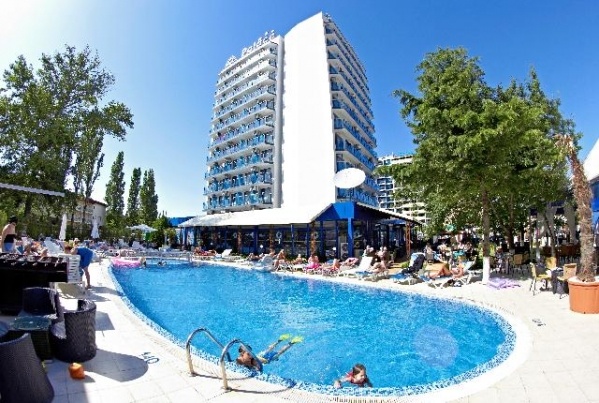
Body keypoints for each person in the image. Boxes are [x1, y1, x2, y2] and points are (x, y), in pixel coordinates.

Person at [236, 334, 303, 370]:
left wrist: (255, 367)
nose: (251, 355)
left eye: (251, 353)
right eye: (248, 354)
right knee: (268, 349)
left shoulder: (254, 360)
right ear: (241, 354)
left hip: (265, 359)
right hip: (260, 356)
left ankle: (292, 342)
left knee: (279, 352)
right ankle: (279, 340)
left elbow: (261, 367)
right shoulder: (239, 359)